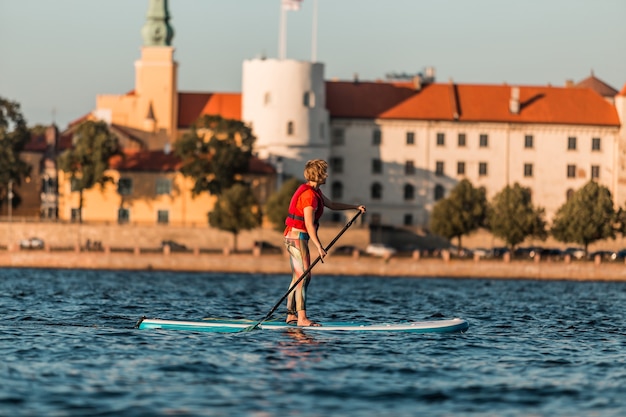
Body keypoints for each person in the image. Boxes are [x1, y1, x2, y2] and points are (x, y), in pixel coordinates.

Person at [283, 159, 366, 327]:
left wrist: (355, 207)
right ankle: (302, 318)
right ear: (319, 174)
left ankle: (291, 315)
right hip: (296, 237)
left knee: (298, 276)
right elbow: (308, 224)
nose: (327, 175)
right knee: (303, 276)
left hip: (296, 237)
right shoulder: (308, 196)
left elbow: (332, 205)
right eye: (325, 172)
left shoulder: (316, 192)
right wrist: (319, 246)